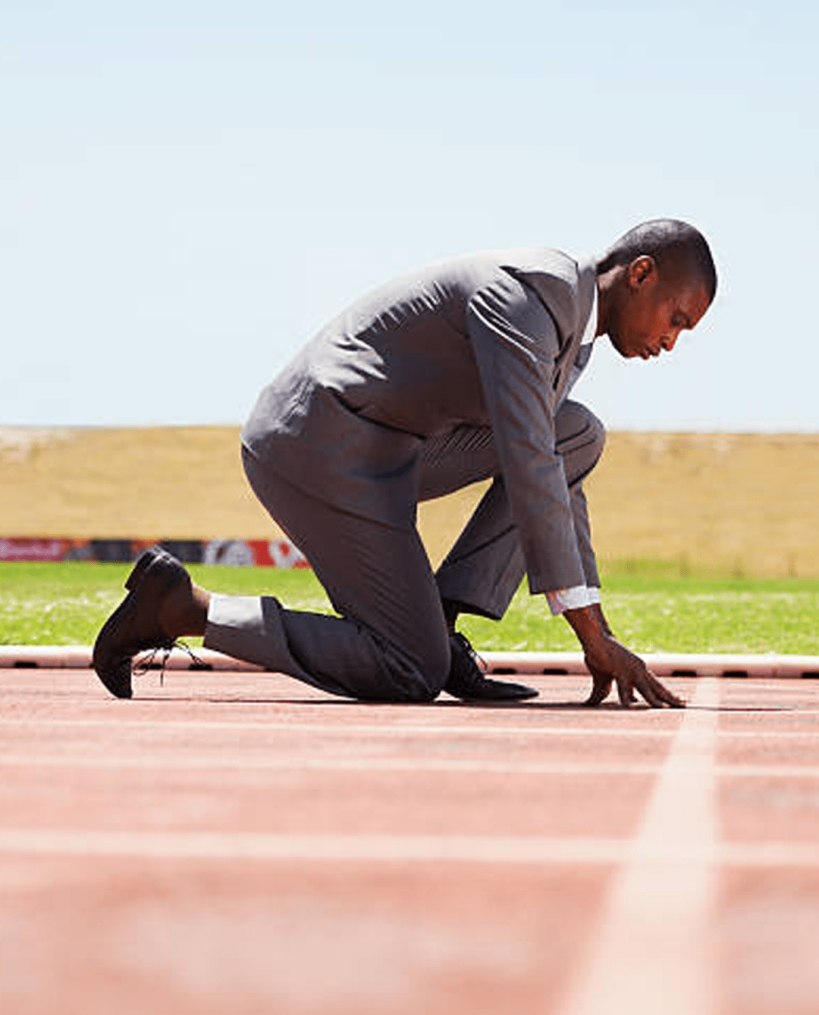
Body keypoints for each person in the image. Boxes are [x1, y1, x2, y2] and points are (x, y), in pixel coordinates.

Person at [94, 218, 717, 707]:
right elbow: (529, 466)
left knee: (575, 433)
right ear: (641, 274)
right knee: (408, 668)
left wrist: (596, 625)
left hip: (389, 447)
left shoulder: (571, 333)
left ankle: (439, 624)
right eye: (676, 319)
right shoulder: (533, 299)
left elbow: (551, 470)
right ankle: (184, 607)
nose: (671, 341)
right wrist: (593, 638)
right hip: (318, 444)